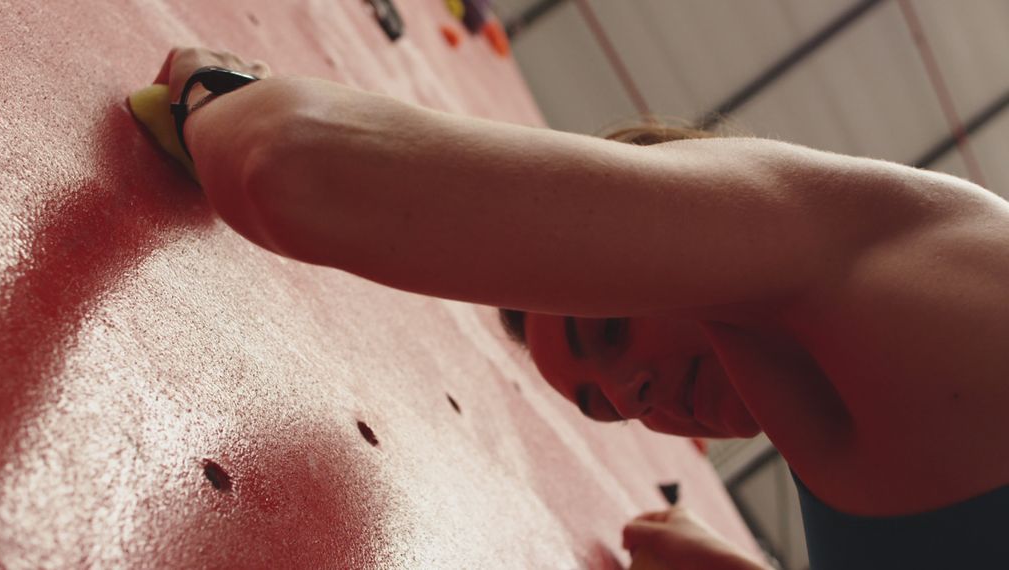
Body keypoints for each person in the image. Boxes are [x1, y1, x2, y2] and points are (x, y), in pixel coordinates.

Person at [148, 48, 1009, 569]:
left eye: (608, 331)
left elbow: (295, 168)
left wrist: (211, 90)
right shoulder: (854, 414)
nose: (639, 396)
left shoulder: (864, 237)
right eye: (610, 404)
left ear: (661, 181)